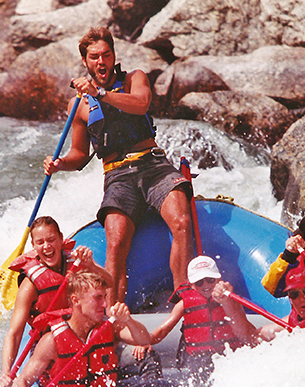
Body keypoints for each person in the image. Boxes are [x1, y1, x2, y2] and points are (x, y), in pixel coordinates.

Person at [43, 26, 193, 306]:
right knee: (115, 244)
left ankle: (184, 301)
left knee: (182, 222)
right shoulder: (78, 105)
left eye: (106, 55)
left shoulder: (134, 79)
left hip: (153, 165)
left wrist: (100, 93)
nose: (101, 62)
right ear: (85, 62)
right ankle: (112, 319)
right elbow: (79, 154)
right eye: (94, 57)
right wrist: (60, 163)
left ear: (113, 56)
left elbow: (140, 104)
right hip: (117, 176)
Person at [10, 271, 151, 387]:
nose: (105, 303)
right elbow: (20, 383)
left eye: (105, 297)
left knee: (155, 375)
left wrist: (128, 320)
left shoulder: (109, 326)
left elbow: (144, 338)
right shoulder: (52, 341)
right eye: (98, 297)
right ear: (76, 301)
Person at [0, 216, 112, 387]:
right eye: (40, 242)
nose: (47, 246)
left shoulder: (78, 263)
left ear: (61, 239)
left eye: (51, 240)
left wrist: (92, 266)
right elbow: (14, 333)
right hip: (52, 346)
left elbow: (109, 282)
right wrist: (6, 372)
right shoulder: (30, 285)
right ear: (34, 246)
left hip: (85, 333)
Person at [133, 255, 258, 386]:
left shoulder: (231, 299)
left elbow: (246, 330)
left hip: (228, 356)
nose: (206, 285)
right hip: (199, 360)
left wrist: (227, 302)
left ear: (219, 279)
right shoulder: (184, 303)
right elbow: (163, 330)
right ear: (191, 285)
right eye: (199, 282)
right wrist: (144, 341)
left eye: (210, 280)